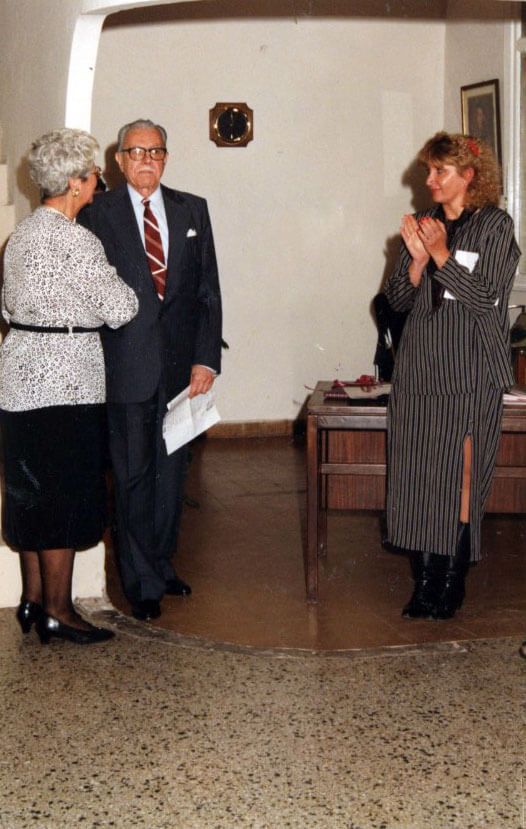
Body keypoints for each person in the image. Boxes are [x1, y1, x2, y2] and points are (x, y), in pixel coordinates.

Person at [78, 119, 222, 622]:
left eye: (155, 151)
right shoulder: (97, 212)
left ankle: (161, 565)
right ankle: (140, 581)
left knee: (171, 475)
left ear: (166, 157)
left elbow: (208, 292)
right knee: (133, 474)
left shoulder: (192, 209)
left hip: (182, 370)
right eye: (135, 151)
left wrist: (207, 359)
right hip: (124, 367)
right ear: (119, 161)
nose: (146, 160)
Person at [0, 128, 138, 644]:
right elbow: (122, 308)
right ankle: (60, 609)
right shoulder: (77, 240)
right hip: (66, 384)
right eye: (93, 175)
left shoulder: (20, 238)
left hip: (17, 382)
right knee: (62, 497)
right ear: (76, 183)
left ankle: (34, 601)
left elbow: (7, 309)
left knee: (31, 495)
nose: (97, 182)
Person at [383, 131, 520, 620]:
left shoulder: (496, 227)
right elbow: (396, 302)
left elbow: (486, 300)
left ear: (469, 176)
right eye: (429, 170)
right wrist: (418, 263)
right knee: (419, 477)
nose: (430, 179)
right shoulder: (425, 224)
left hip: (469, 372)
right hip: (420, 370)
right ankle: (423, 584)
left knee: (460, 479)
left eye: (440, 171)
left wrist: (441, 255)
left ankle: (449, 582)